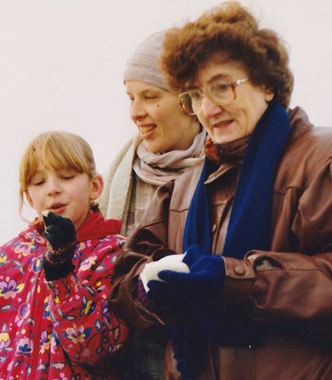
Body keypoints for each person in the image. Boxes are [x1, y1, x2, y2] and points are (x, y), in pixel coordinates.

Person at [109, 2, 332, 379]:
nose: (208, 108)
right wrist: (153, 291)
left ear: (266, 84)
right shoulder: (181, 188)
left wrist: (237, 281)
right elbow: (124, 282)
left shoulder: (320, 162)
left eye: (222, 87)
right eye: (195, 95)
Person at [0, 131, 129, 379]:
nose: (52, 189)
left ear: (95, 186)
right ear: (29, 196)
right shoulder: (2, 263)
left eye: (66, 177)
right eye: (39, 182)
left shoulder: (113, 255)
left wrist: (62, 273)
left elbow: (94, 351)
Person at [100, 30, 205, 379]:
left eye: (149, 96)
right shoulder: (118, 174)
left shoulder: (230, 170)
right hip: (125, 362)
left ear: (189, 100)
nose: (135, 112)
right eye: (130, 97)